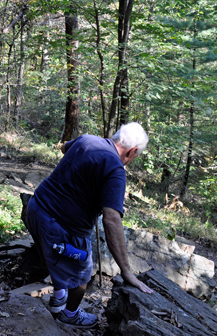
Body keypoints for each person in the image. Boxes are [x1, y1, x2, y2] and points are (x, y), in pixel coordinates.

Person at [26, 122, 153, 329]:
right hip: (62, 226)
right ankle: (70, 315)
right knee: (81, 275)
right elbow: (111, 220)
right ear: (133, 151)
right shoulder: (115, 170)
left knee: (57, 258)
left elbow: (65, 147)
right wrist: (126, 270)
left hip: (35, 208)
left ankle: (58, 298)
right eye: (136, 157)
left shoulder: (87, 140)